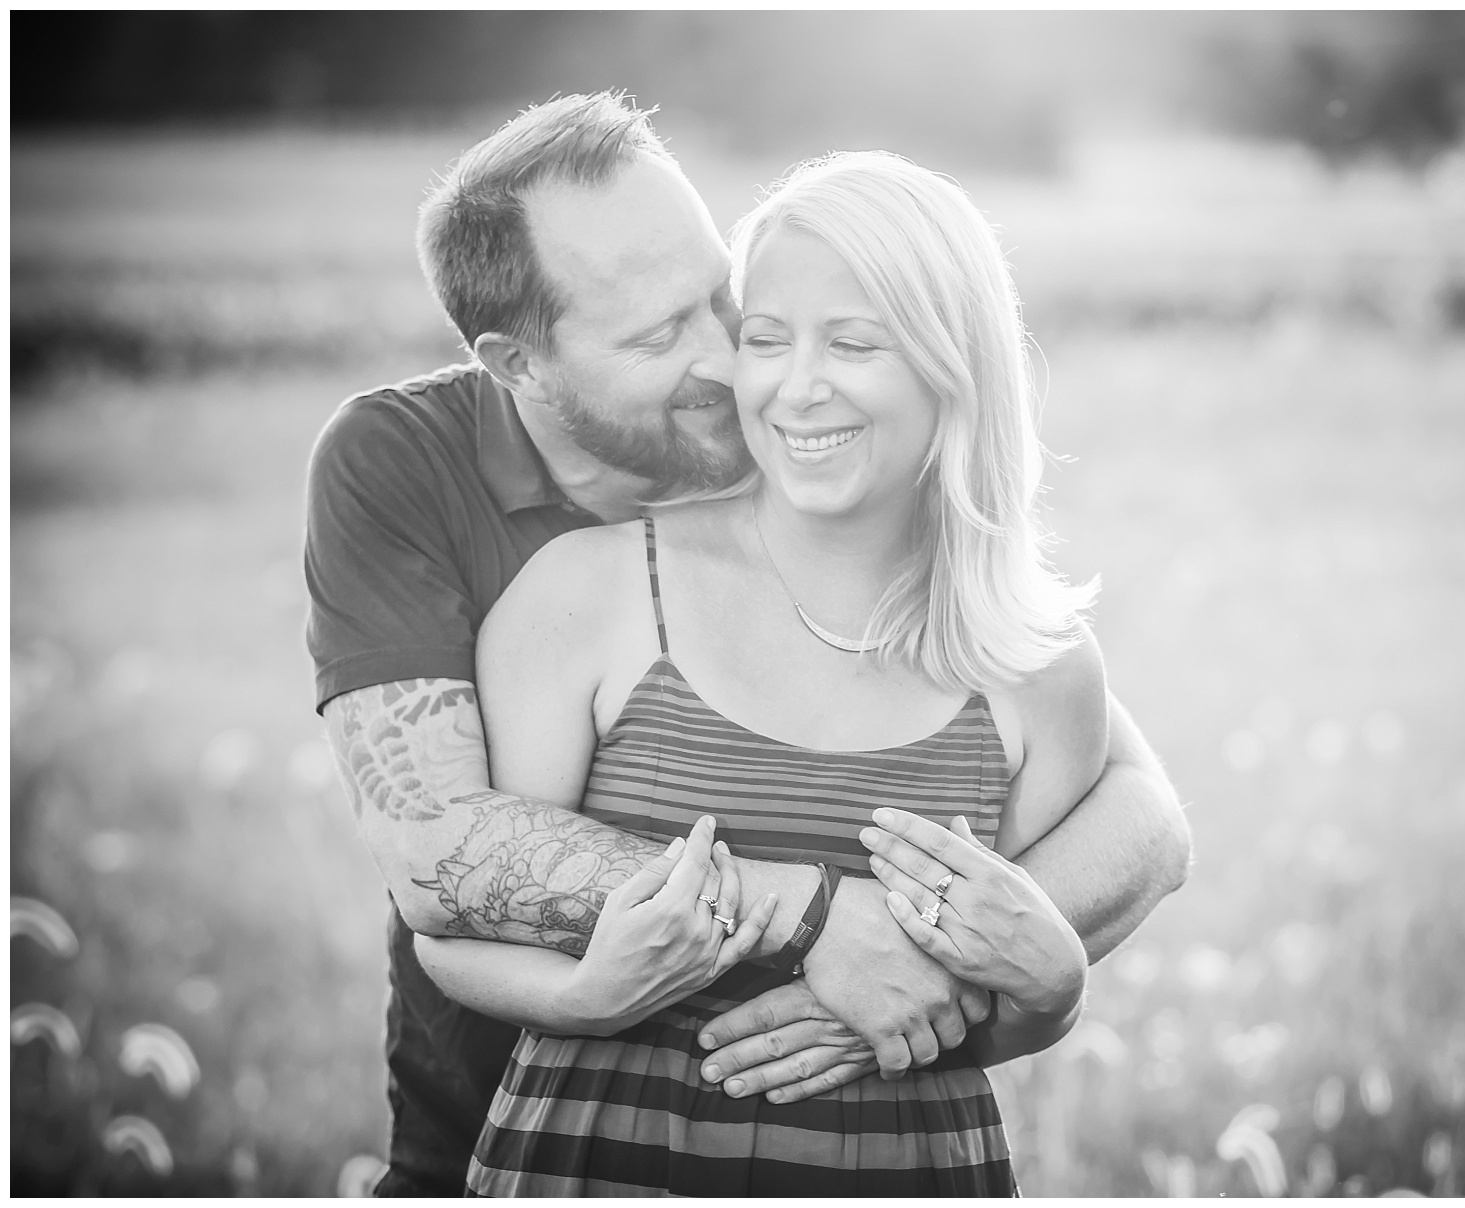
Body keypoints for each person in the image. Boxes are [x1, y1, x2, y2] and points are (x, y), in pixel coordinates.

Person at [304, 92, 1190, 1197]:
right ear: (519, 363)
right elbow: (439, 851)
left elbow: (1140, 807)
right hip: (515, 1105)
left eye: (722, 295)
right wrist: (819, 912)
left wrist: (969, 968)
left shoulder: (803, 452)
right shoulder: (411, 471)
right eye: (661, 333)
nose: (733, 359)